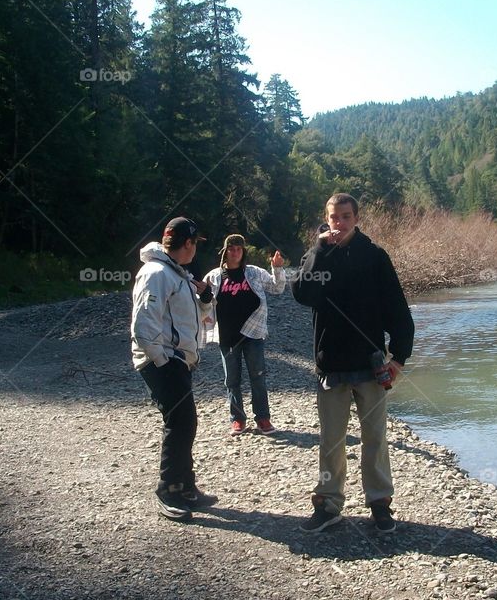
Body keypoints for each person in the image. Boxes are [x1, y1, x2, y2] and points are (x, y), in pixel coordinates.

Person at [291, 194, 414, 533]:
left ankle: (380, 504)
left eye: (346, 216)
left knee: (375, 438)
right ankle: (328, 504)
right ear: (326, 219)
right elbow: (301, 294)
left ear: (357, 218)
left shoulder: (375, 257)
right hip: (330, 364)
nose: (340, 223)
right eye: (334, 217)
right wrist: (319, 249)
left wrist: (399, 358)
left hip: (371, 364)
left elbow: (397, 309)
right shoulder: (317, 256)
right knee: (331, 441)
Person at [131, 217, 217, 521]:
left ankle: (185, 488)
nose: (196, 250)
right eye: (195, 244)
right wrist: (162, 360)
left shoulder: (177, 273)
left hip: (176, 360)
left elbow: (196, 318)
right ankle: (168, 491)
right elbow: (143, 323)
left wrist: (205, 298)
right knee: (180, 423)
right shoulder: (156, 273)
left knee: (185, 423)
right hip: (164, 361)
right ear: (188, 243)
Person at [202, 234, 286, 435]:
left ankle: (263, 419)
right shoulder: (213, 276)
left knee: (258, 377)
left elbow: (277, 288)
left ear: (244, 251)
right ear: (225, 252)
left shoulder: (254, 272)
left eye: (239, 249)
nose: (235, 252)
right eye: (231, 249)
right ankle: (237, 420)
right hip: (227, 336)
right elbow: (201, 301)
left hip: (253, 333)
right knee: (232, 380)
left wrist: (277, 269)